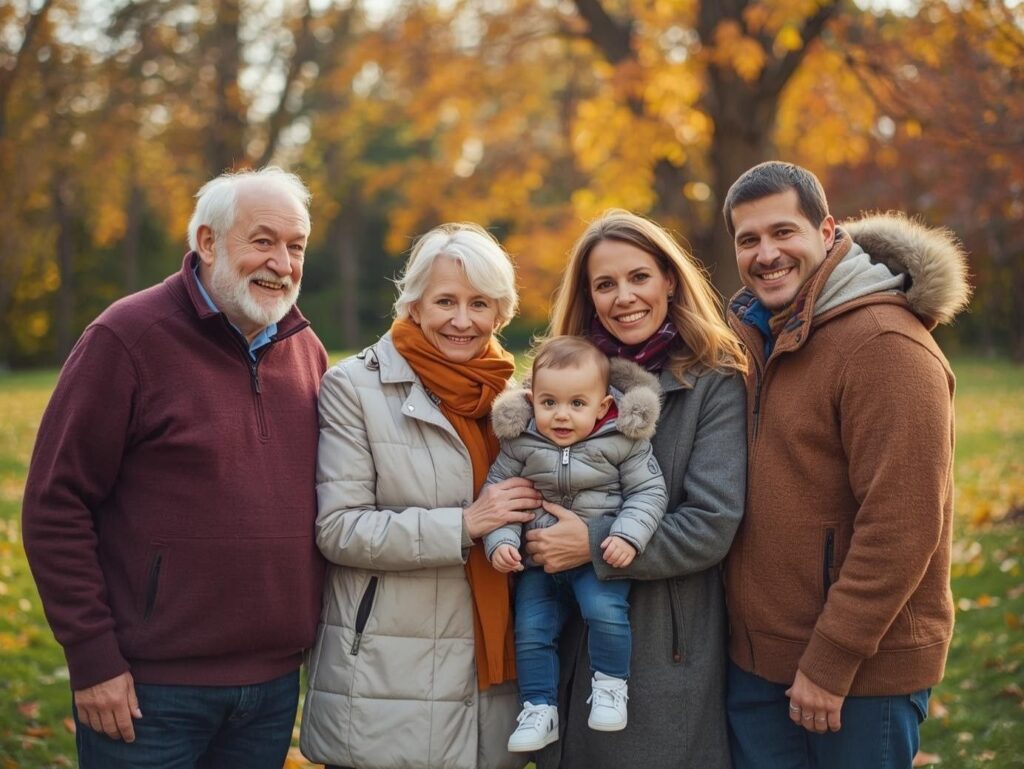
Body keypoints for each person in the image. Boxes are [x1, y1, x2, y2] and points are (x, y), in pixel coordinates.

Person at [21, 166, 329, 768]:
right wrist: (92, 659)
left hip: (269, 692)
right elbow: (55, 506)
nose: (283, 263)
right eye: (262, 241)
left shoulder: (305, 350)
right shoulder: (127, 338)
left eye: (296, 247)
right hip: (146, 690)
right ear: (208, 242)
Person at [721, 161, 971, 769]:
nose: (766, 253)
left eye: (784, 232)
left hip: (858, 676)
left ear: (828, 231)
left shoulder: (884, 345)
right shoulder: (753, 337)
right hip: (758, 668)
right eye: (748, 239)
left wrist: (831, 662)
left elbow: (902, 527)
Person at [299, 222, 542, 769]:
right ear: (413, 303)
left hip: (489, 684)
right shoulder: (354, 388)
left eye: (479, 303)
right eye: (445, 301)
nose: (462, 320)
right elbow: (339, 528)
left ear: (501, 313)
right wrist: (465, 525)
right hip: (387, 679)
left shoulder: (517, 400)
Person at [526, 209, 749, 769]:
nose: (624, 296)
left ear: (670, 280)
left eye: (639, 277)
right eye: (605, 284)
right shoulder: (559, 385)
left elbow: (711, 523)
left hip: (661, 645)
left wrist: (594, 543)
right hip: (567, 634)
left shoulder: (713, 381)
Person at [484, 335, 668, 749]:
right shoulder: (521, 443)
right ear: (532, 401)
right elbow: (497, 492)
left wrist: (626, 535)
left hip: (597, 558)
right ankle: (538, 708)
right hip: (538, 562)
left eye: (577, 404)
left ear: (603, 406)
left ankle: (610, 685)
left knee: (604, 611)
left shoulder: (623, 442)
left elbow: (650, 492)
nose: (561, 416)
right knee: (531, 631)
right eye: (549, 403)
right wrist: (499, 541)